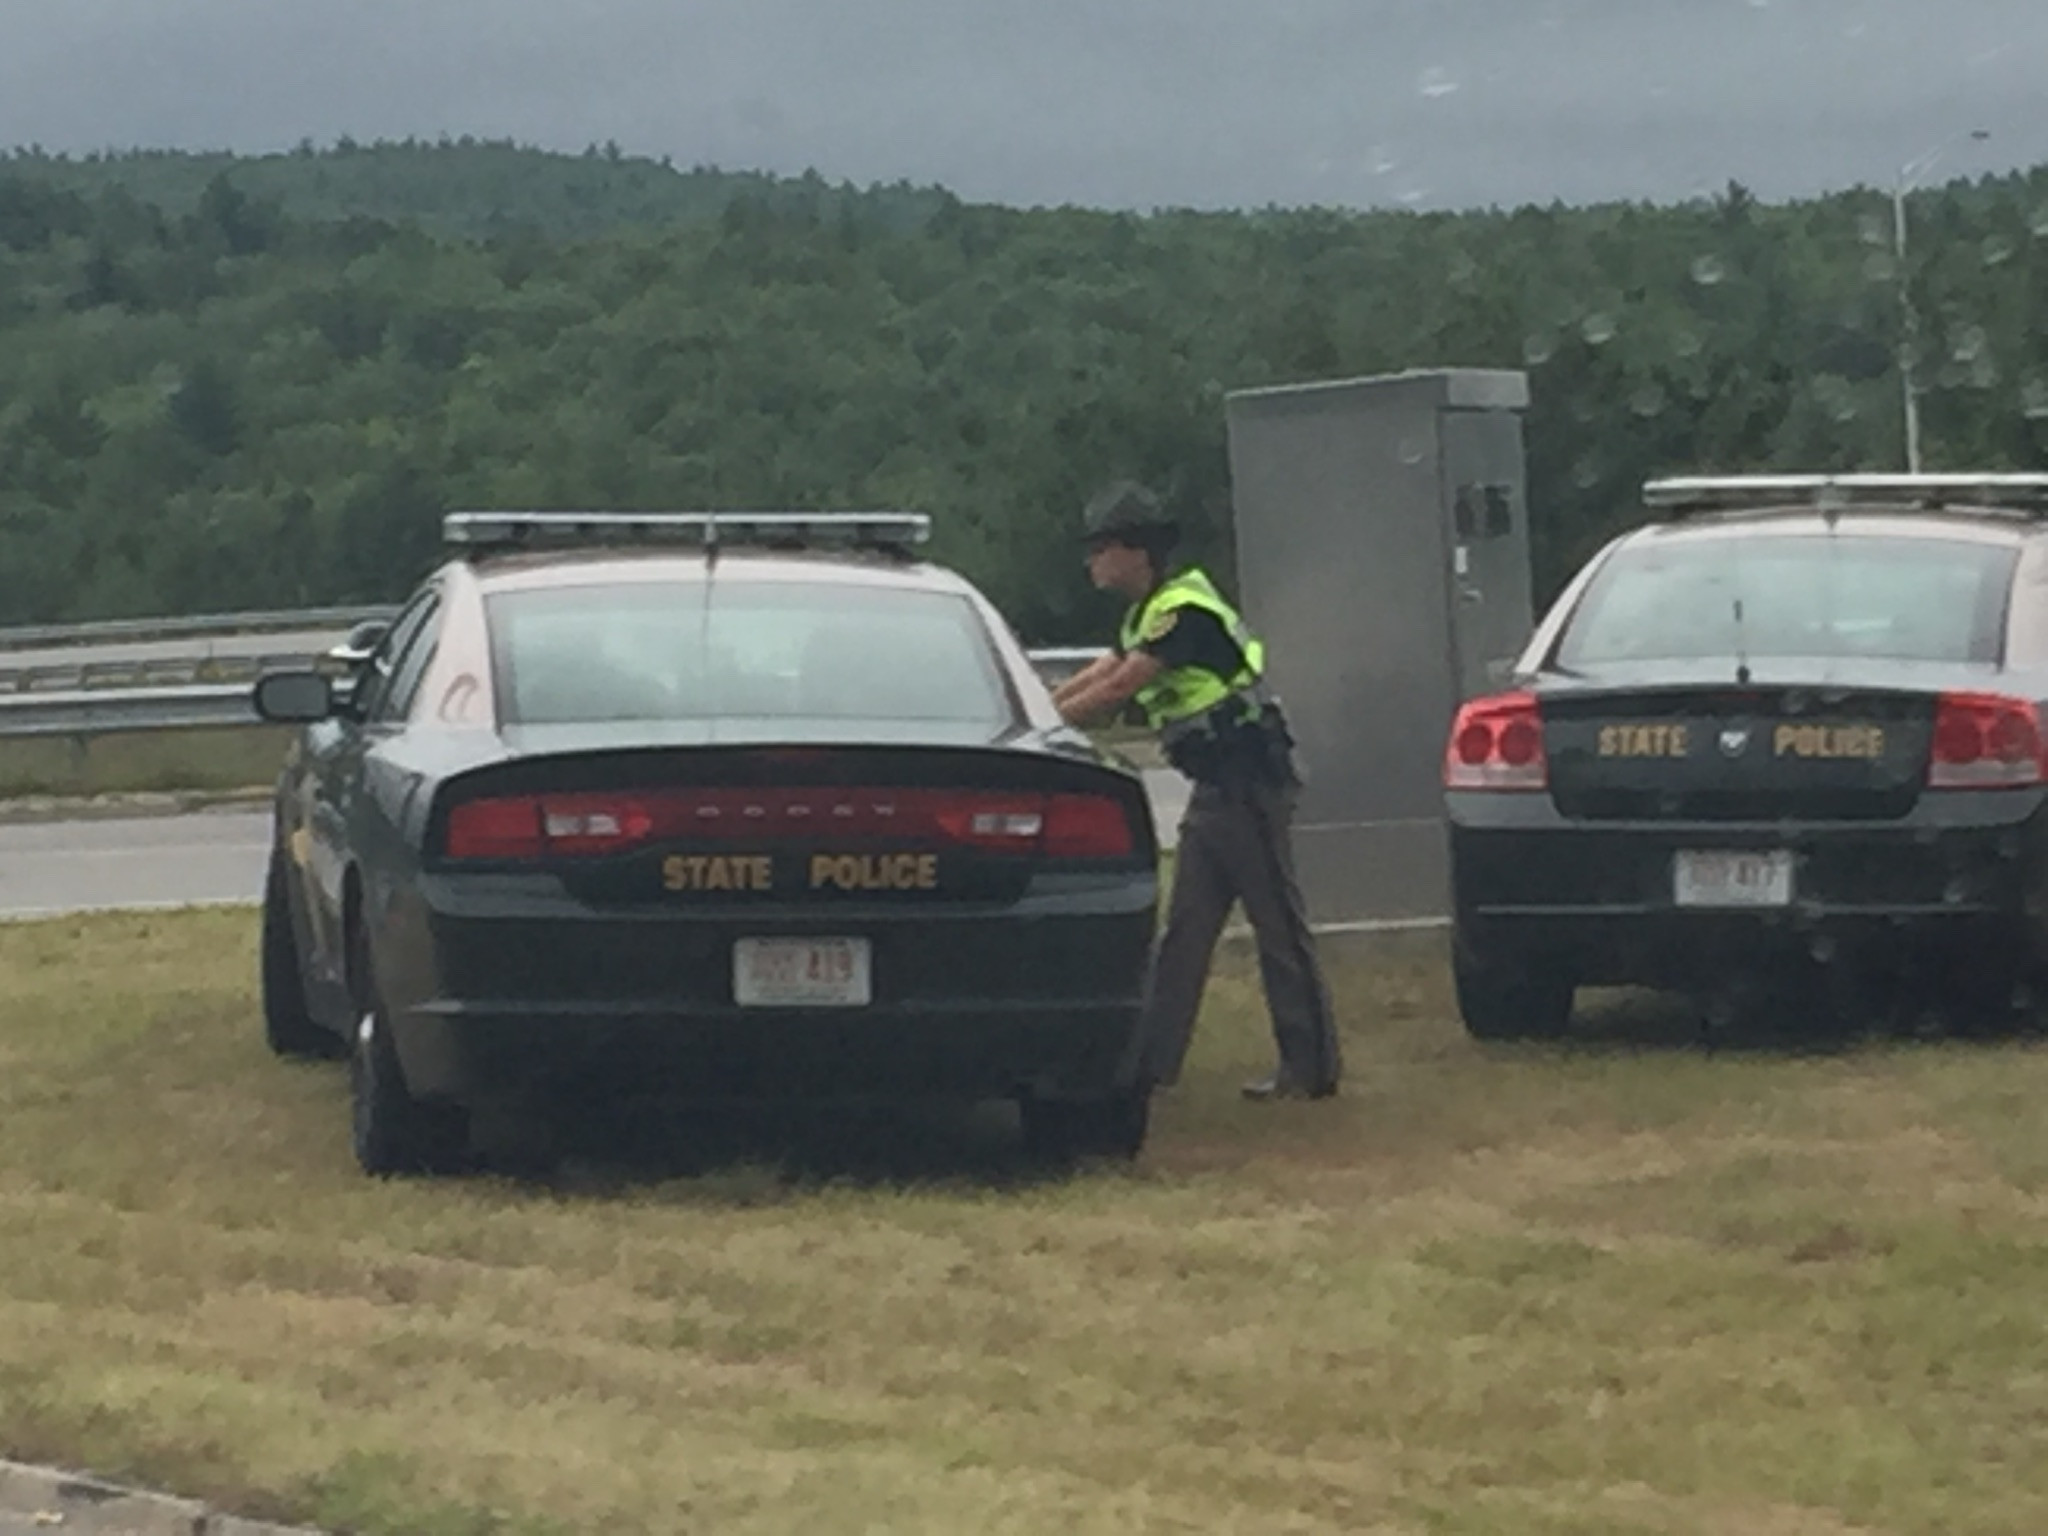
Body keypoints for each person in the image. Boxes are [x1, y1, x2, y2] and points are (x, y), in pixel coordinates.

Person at [1052, 480, 1342, 1101]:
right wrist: (1034, 709)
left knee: (1279, 929)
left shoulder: (1184, 610)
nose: (1092, 560)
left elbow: (1118, 688)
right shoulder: (1147, 615)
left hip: (1250, 784)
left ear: (1137, 552)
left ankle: (1310, 1067)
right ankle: (1149, 1070)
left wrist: (1040, 729)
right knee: (1184, 930)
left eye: (1102, 547)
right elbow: (1100, 671)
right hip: (1215, 791)